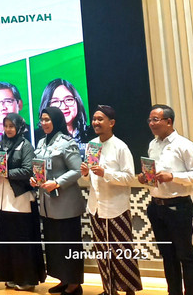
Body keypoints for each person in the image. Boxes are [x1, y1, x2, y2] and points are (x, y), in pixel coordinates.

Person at [138, 104, 193, 295]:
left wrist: (173, 176)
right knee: (168, 255)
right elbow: (153, 175)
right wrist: (145, 178)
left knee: (185, 255)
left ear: (168, 121)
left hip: (178, 207)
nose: (151, 123)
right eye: (149, 120)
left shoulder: (184, 145)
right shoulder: (152, 145)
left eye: (155, 119)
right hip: (156, 207)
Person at [80, 105, 142, 295]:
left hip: (116, 208)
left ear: (112, 123)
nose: (96, 122)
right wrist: (85, 174)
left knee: (122, 252)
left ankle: (129, 290)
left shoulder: (120, 147)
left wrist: (105, 173)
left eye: (100, 119)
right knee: (102, 252)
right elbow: (90, 178)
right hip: (96, 207)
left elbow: (128, 177)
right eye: (94, 119)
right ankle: (109, 290)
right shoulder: (91, 145)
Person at [30, 107, 84, 295]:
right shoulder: (42, 142)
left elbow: (77, 171)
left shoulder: (67, 142)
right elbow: (40, 168)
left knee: (69, 244)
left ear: (56, 120)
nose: (43, 123)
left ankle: (74, 283)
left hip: (66, 204)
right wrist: (35, 179)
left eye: (47, 119)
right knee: (55, 245)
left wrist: (58, 183)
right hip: (47, 204)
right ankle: (63, 279)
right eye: (42, 120)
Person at [0, 113, 45, 291]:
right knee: (7, 241)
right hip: (4, 199)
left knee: (22, 241)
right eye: (5, 126)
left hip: (20, 199)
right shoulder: (2, 144)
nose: (8, 129)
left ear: (19, 127)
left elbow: (28, 170)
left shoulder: (26, 145)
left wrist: (6, 173)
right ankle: (12, 276)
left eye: (11, 126)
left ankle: (27, 279)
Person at [36, 79, 89, 149]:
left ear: (77, 101)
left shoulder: (91, 133)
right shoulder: (38, 138)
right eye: (55, 101)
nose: (64, 106)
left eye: (68, 99)